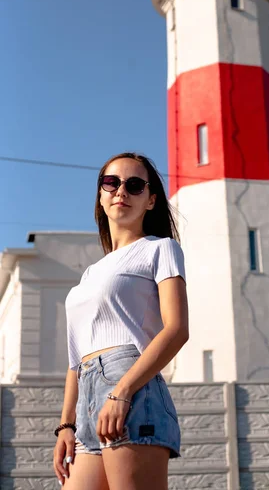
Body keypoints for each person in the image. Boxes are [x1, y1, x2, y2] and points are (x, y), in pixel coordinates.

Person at [53, 152, 189, 490]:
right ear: (101, 195)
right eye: (111, 183)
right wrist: (66, 425)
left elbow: (177, 330)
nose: (121, 191)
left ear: (151, 200)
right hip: (88, 396)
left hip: (131, 390)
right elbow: (75, 360)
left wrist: (122, 392)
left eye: (134, 185)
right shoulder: (90, 273)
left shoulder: (160, 249)